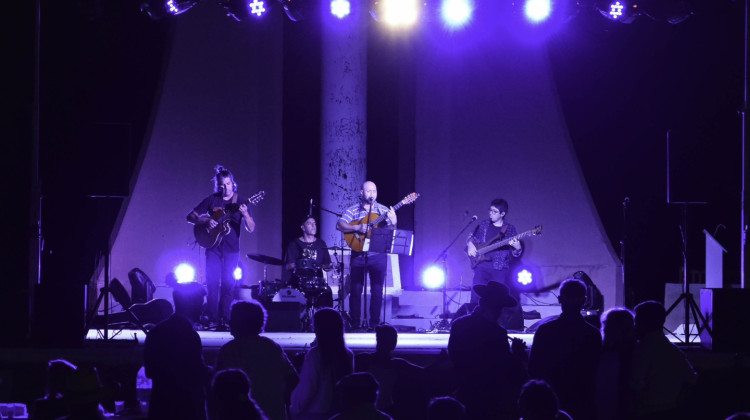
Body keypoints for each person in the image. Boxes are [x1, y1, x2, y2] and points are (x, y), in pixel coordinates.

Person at [187, 165, 256, 329]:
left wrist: (245, 214)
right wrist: (206, 220)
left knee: (228, 284)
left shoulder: (240, 201)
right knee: (212, 282)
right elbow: (190, 217)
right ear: (218, 185)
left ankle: (225, 318)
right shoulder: (212, 200)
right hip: (213, 247)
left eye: (228, 184)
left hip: (232, 249)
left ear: (233, 183)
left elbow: (251, 228)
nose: (225, 187)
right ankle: (211, 317)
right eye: (222, 185)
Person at [448, 281, 527, 420]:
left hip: (464, 393)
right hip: (491, 401)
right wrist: (517, 353)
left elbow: (453, 357)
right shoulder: (497, 332)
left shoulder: (458, 324)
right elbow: (505, 370)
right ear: (496, 308)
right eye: (500, 308)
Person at [528, 279, 602, 420]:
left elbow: (534, 369)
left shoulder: (545, 330)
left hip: (550, 401)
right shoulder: (592, 333)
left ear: (560, 299)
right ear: (584, 301)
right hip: (582, 400)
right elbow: (593, 369)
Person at [215, 300, 299, 420]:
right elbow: (293, 379)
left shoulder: (230, 350)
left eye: (233, 318)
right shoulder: (270, 346)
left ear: (240, 322)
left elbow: (219, 386)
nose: (229, 322)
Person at [144, 282, 211, 420]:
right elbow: (195, 372)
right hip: (185, 410)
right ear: (191, 303)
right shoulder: (189, 334)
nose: (202, 308)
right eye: (200, 302)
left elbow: (149, 371)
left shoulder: (156, 331)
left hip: (161, 409)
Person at [336, 181, 397, 329]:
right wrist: (357, 226)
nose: (372, 194)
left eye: (374, 191)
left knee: (377, 291)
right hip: (358, 255)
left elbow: (392, 232)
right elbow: (339, 224)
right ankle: (355, 324)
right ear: (361, 193)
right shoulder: (353, 210)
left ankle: (374, 324)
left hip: (378, 255)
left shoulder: (383, 210)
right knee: (355, 290)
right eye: (368, 191)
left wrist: (393, 222)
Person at [629, 300, 698, 420]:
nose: (634, 325)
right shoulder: (673, 350)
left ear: (642, 322)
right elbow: (691, 380)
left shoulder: (644, 350)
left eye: (636, 321)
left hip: (647, 412)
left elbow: (635, 385)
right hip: (670, 411)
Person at [465, 199, 523, 330]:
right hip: (481, 266)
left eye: (494, 211)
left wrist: (518, 248)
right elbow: (470, 237)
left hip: (499, 268)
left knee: (496, 299)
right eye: (490, 210)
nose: (491, 213)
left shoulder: (510, 229)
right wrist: (469, 245)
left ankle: (493, 327)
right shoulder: (484, 225)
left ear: (502, 214)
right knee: (476, 295)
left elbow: (514, 254)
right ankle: (473, 326)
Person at [290, 308, 354, 420]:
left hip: (313, 413)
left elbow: (308, 388)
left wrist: (294, 410)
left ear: (319, 328)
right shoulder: (347, 354)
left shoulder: (316, 354)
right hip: (337, 413)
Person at [284, 215, 333, 308]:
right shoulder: (294, 244)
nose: (313, 226)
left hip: (317, 284)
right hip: (299, 283)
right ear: (303, 227)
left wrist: (330, 266)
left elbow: (327, 264)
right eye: (309, 224)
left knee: (328, 292)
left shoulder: (321, 244)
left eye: (314, 223)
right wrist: (301, 265)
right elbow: (288, 266)